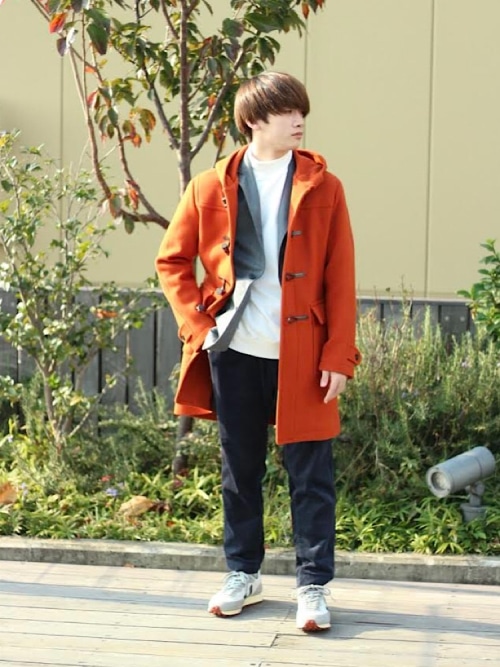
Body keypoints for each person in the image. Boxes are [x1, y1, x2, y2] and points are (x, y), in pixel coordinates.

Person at [155, 71, 361, 632]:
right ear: (254, 120)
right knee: (239, 470)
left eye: (301, 112)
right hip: (235, 348)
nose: (299, 121)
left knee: (311, 474)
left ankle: (313, 586)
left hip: (305, 352)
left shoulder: (324, 186)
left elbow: (341, 276)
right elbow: (171, 260)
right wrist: (199, 327)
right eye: (287, 112)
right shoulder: (209, 185)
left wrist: (338, 355)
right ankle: (243, 573)